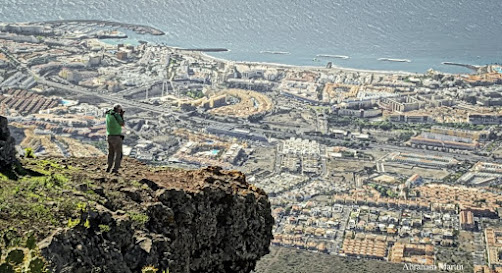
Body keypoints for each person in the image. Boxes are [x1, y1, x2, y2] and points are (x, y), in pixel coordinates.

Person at [105, 104, 125, 174]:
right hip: (116, 137)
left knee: (111, 153)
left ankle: (108, 167)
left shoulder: (108, 114)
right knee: (119, 154)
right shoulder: (116, 115)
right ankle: (115, 169)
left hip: (109, 136)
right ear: (118, 110)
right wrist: (121, 115)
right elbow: (122, 124)